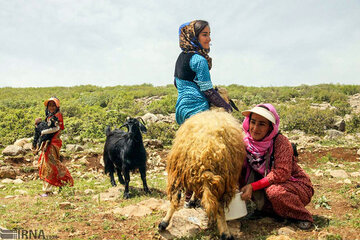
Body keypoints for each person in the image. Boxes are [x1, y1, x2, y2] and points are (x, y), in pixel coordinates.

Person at [174, 20, 233, 207]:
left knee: (188, 152)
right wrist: (226, 106)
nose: (209, 38)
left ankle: (186, 198)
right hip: (198, 111)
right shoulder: (199, 60)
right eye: (204, 34)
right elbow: (207, 90)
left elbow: (177, 83)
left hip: (182, 109)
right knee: (201, 156)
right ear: (194, 36)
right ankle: (194, 198)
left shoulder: (181, 57)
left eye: (209, 34)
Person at [239, 103, 314, 230]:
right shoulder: (246, 142)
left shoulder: (280, 142)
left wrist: (253, 186)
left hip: (294, 185)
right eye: (253, 122)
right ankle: (266, 210)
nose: (255, 128)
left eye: (262, 124)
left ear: (270, 127)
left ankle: (301, 216)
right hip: (268, 182)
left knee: (274, 192)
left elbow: (282, 173)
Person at [37, 97, 73, 197]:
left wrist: (43, 132)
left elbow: (56, 128)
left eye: (53, 105)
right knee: (47, 164)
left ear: (57, 106)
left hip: (54, 143)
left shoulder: (58, 115)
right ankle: (60, 184)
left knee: (51, 164)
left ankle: (51, 189)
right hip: (48, 142)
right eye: (50, 105)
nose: (51, 107)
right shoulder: (49, 116)